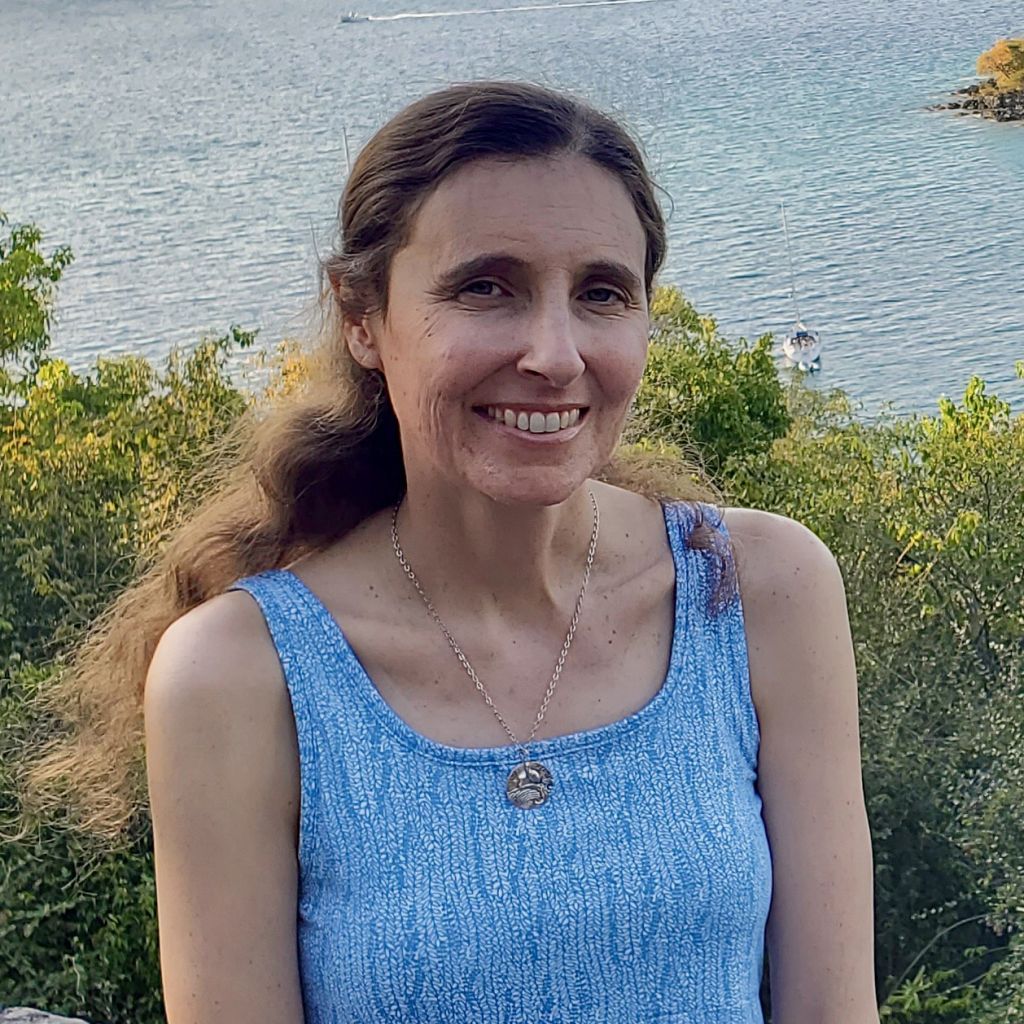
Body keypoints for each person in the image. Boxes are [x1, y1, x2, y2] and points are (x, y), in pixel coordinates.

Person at [30, 81, 879, 1023]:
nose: (555, 355)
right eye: (486, 287)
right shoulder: (241, 674)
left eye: (601, 293)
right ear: (362, 318)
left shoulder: (757, 590)